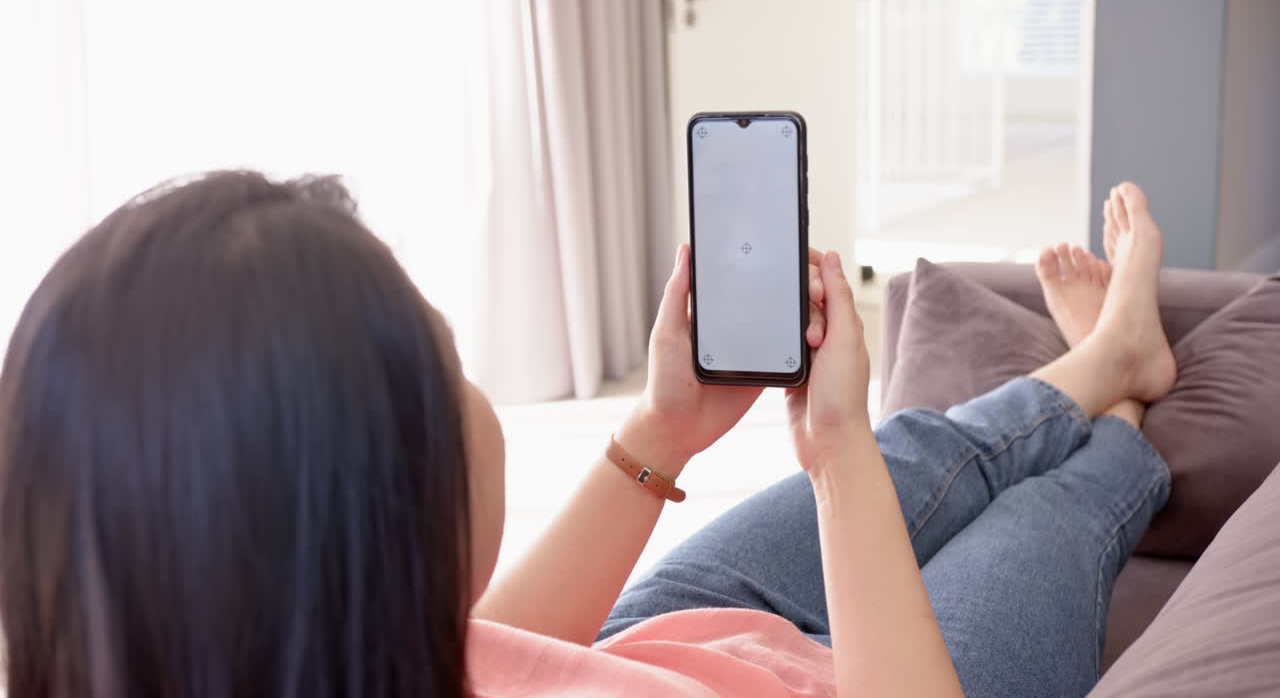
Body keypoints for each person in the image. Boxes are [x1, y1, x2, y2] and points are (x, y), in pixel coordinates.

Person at [0, 172, 1173, 698]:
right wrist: (835, 458)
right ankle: (1123, 390)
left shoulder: (253, 658)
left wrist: (661, 429)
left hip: (639, 650)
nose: (473, 393)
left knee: (916, 449)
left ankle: (1100, 360)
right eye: (447, 364)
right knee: (1039, 512)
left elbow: (476, 647)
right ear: (381, 527)